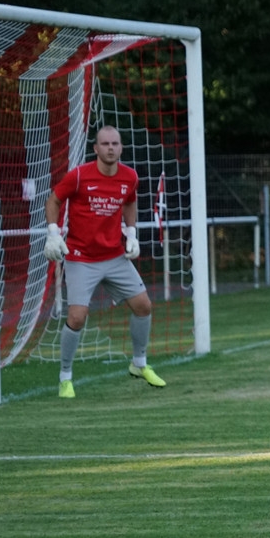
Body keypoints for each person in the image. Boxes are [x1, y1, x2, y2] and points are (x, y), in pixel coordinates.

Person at [43, 125, 166, 398]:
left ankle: (139, 364)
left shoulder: (130, 176)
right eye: (105, 144)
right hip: (81, 258)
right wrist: (53, 233)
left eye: (115, 144)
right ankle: (65, 378)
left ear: (121, 148)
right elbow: (53, 201)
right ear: (96, 148)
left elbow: (129, 202)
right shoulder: (78, 176)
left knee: (144, 306)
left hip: (114, 257)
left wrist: (131, 234)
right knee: (77, 317)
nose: (111, 148)